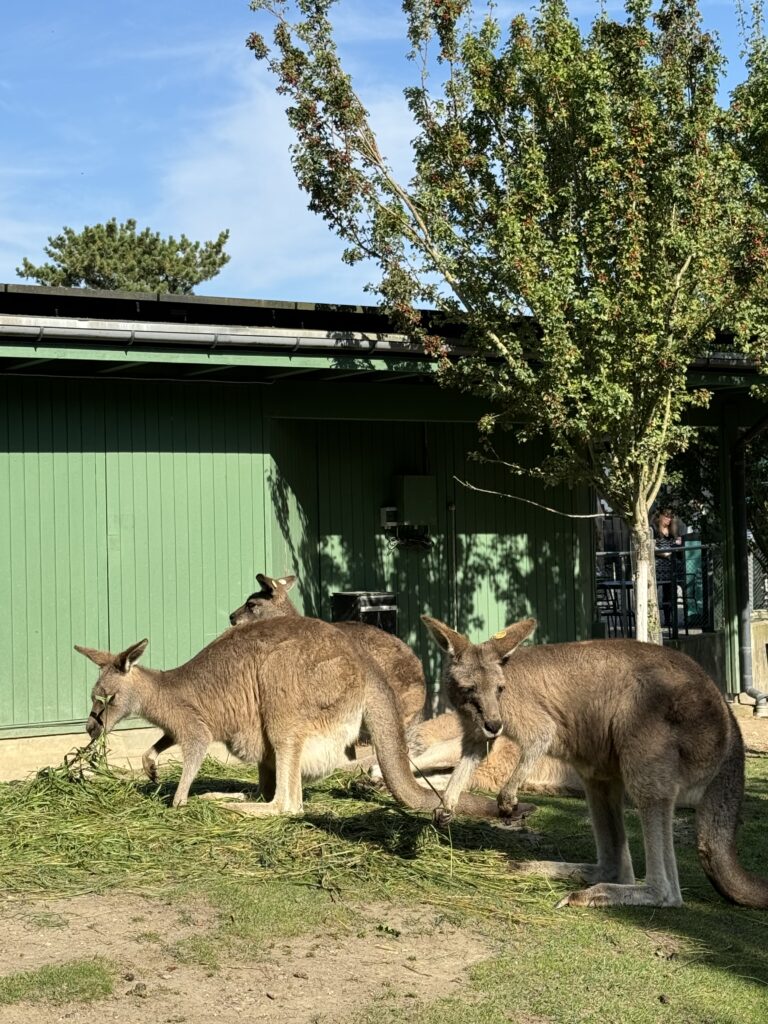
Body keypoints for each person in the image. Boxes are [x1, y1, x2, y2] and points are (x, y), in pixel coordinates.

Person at [652, 508, 683, 628]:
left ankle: (668, 619)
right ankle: (654, 620)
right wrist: (664, 553)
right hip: (659, 565)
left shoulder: (672, 530)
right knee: (655, 592)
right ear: (659, 516)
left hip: (671, 565)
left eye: (670, 517)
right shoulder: (653, 529)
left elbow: (676, 543)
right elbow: (651, 547)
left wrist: (678, 543)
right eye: (666, 516)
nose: (668, 519)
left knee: (669, 593)